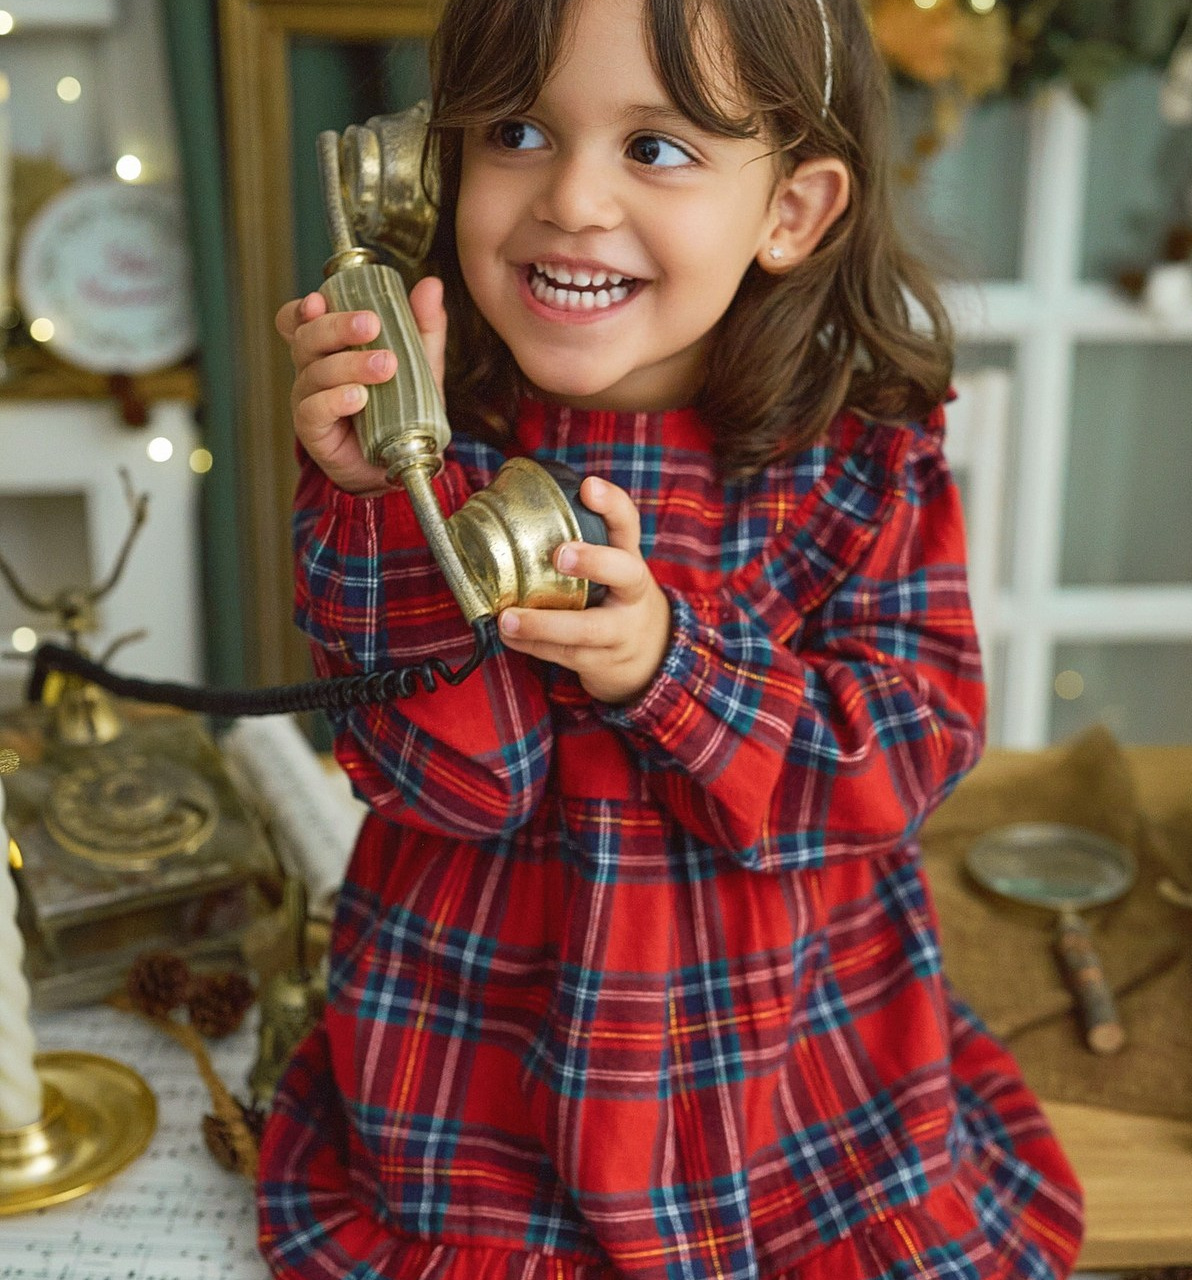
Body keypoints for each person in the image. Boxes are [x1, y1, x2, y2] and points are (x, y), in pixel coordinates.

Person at [258, 0, 1085, 1275]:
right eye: (518, 130)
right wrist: (378, 503)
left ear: (791, 211)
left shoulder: (865, 465)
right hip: (484, 1087)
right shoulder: (434, 449)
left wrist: (673, 672)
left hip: (781, 1081)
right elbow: (465, 786)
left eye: (656, 149)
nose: (573, 200)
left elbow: (898, 766)